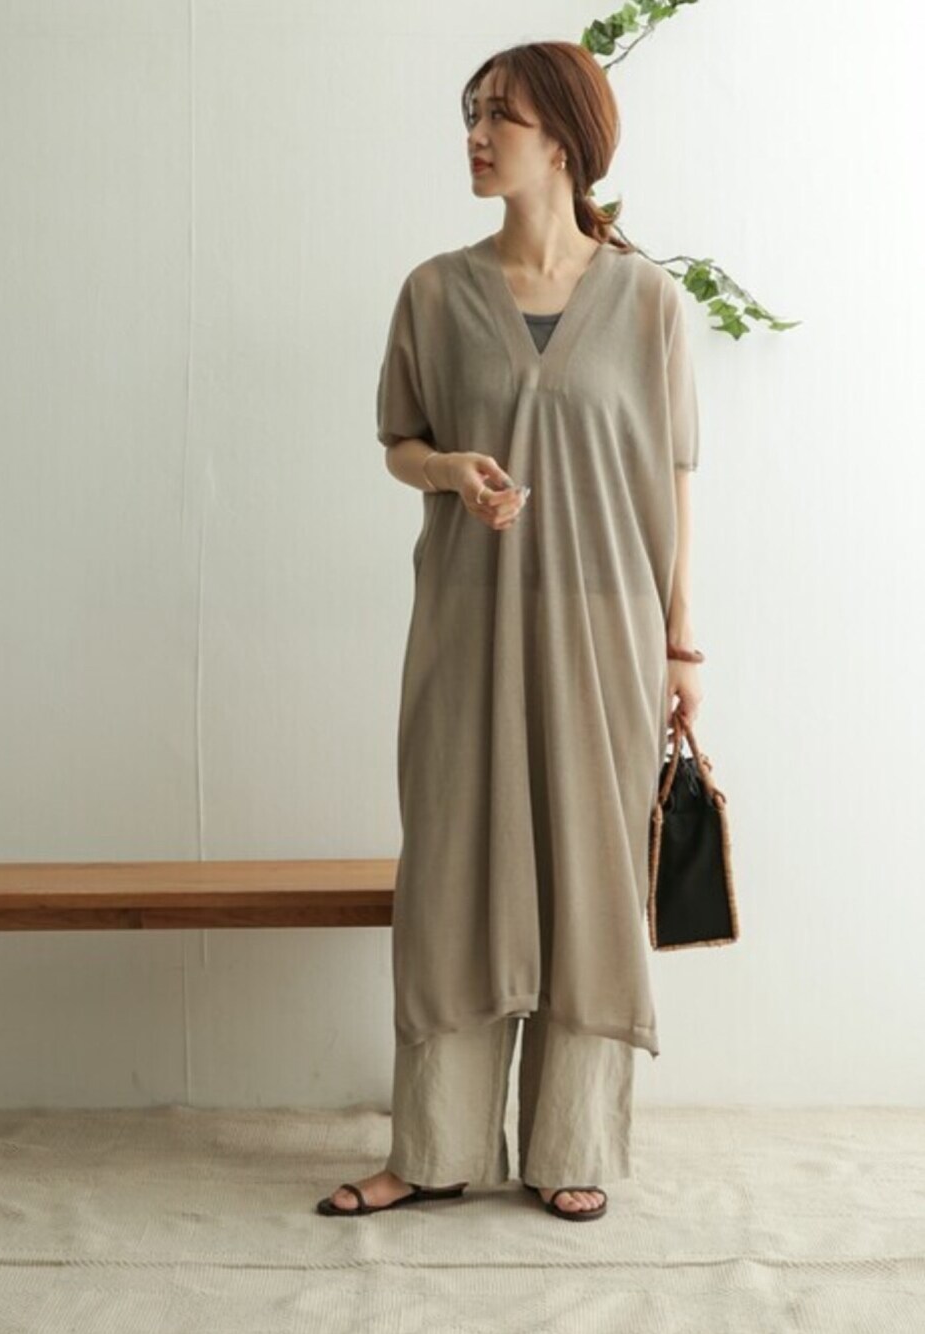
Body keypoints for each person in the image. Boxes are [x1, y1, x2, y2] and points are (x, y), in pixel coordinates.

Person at [318, 40, 702, 1222]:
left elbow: (672, 483)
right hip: (466, 624)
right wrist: (447, 469)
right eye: (473, 113)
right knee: (453, 866)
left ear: (567, 143)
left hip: (605, 634)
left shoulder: (648, 303)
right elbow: (400, 442)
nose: (477, 135)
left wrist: (682, 647)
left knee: (588, 876)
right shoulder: (435, 293)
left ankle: (569, 1144)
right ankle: (432, 1147)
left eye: (503, 117)